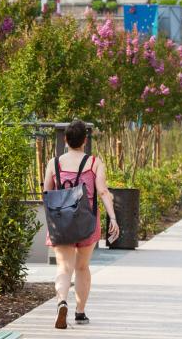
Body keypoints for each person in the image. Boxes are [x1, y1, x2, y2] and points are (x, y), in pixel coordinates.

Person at [43, 120, 120, 330]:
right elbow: (103, 192)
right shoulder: (94, 163)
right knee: (82, 267)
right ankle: (80, 312)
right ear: (85, 141)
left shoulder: (54, 163)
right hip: (87, 221)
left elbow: (47, 193)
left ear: (65, 140)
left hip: (61, 222)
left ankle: (61, 301)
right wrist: (113, 218)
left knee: (63, 266)